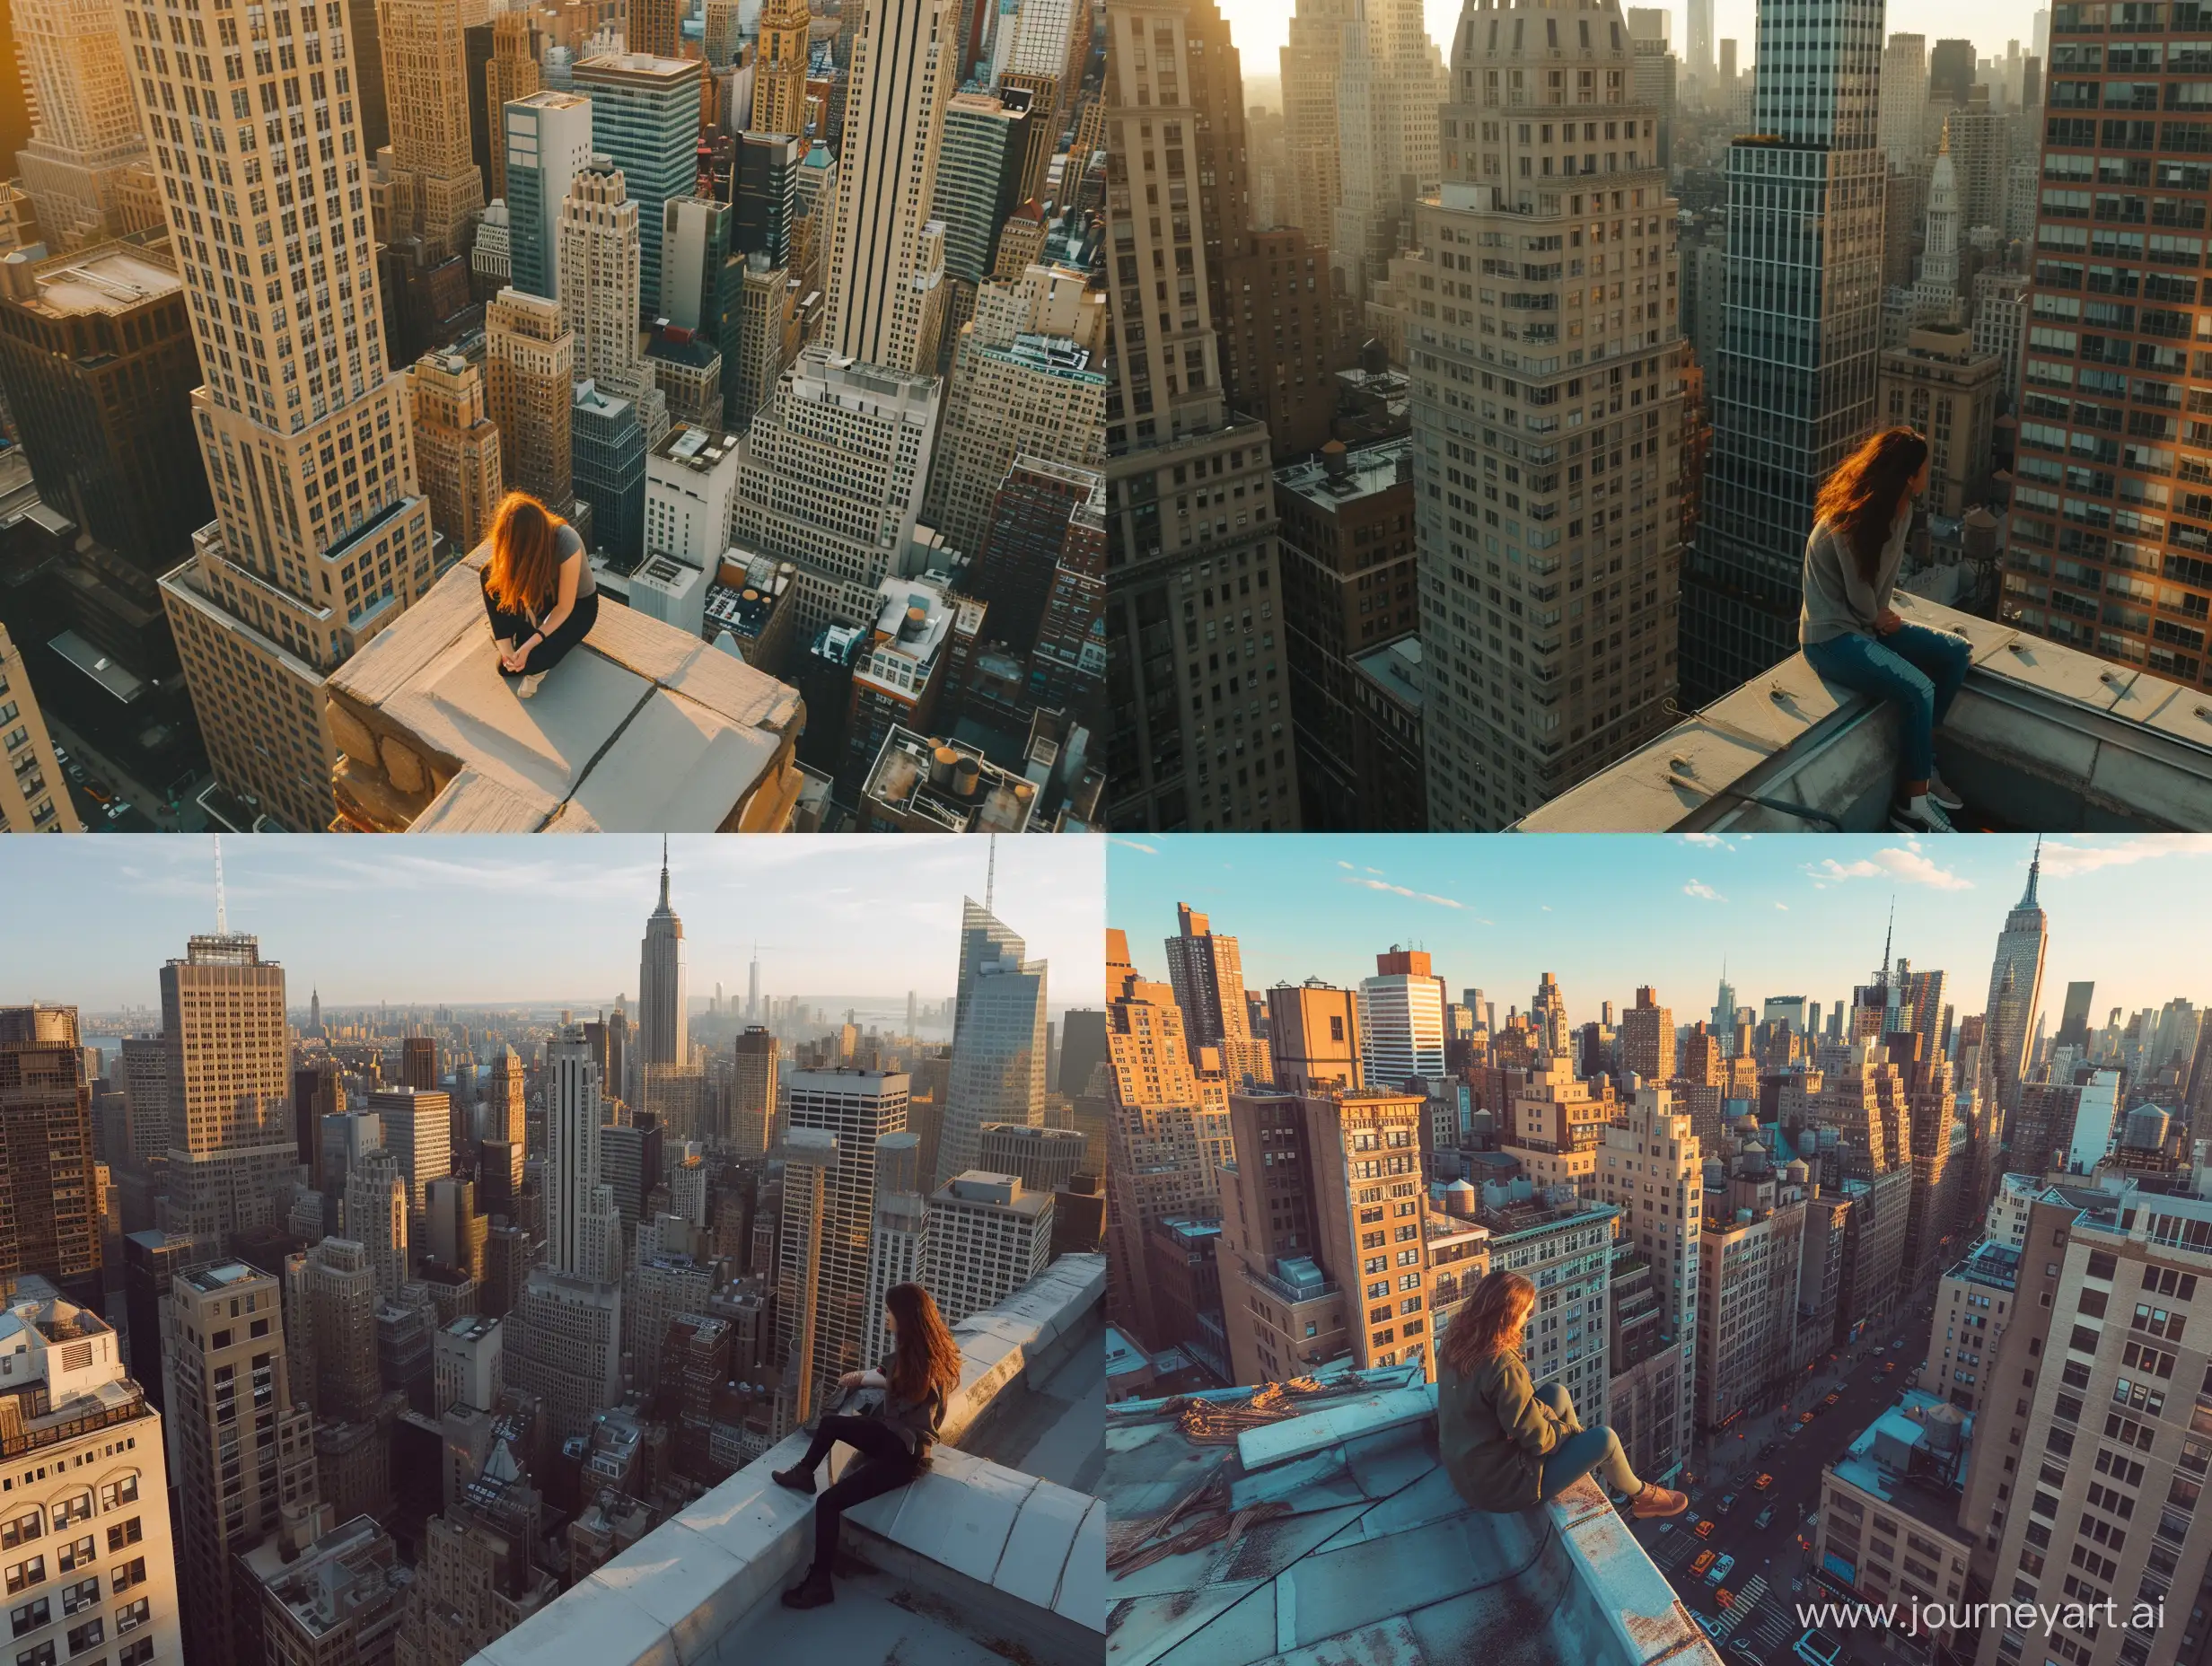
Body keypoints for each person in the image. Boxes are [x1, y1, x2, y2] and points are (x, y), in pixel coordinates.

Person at [1798, 426, 1973, 833]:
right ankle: (1910, 805)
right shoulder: (1845, 519)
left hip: (1867, 624)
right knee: (1919, 689)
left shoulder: (1902, 510)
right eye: (1925, 469)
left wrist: (1881, 614)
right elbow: (1861, 595)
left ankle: (1922, 759)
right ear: (1909, 475)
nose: (1929, 475)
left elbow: (1884, 583)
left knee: (1956, 653)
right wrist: (1878, 616)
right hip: (1831, 638)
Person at [771, 1280, 963, 1609]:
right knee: (832, 1424)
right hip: (894, 1439)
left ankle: (820, 1583)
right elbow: (900, 1383)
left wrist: (867, 1378)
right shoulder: (926, 1352)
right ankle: (804, 1473)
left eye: (890, 1312)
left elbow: (908, 1390)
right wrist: (869, 1376)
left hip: (905, 1457)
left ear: (904, 1317)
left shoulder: (920, 1364)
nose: (887, 1318)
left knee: (828, 1503)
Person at [1438, 1269, 1686, 1519]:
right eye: (1527, 1312)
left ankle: (1577, 1460)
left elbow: (1518, 1412)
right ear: (1509, 1315)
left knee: (1556, 1394)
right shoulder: (1502, 1365)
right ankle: (1644, 1497)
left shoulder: (1457, 1338)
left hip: (1470, 1468)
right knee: (1605, 1440)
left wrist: (1553, 1423)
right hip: (1500, 1486)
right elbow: (1536, 1438)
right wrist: (1568, 1431)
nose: (1527, 1318)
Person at [480, 491, 598, 697]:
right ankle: (507, 642)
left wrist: (528, 646)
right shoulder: (518, 546)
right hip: (536, 596)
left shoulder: (565, 540)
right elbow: (501, 576)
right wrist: (508, 653)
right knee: (488, 576)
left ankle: (533, 662)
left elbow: (564, 607)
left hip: (576, 606)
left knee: (533, 660)